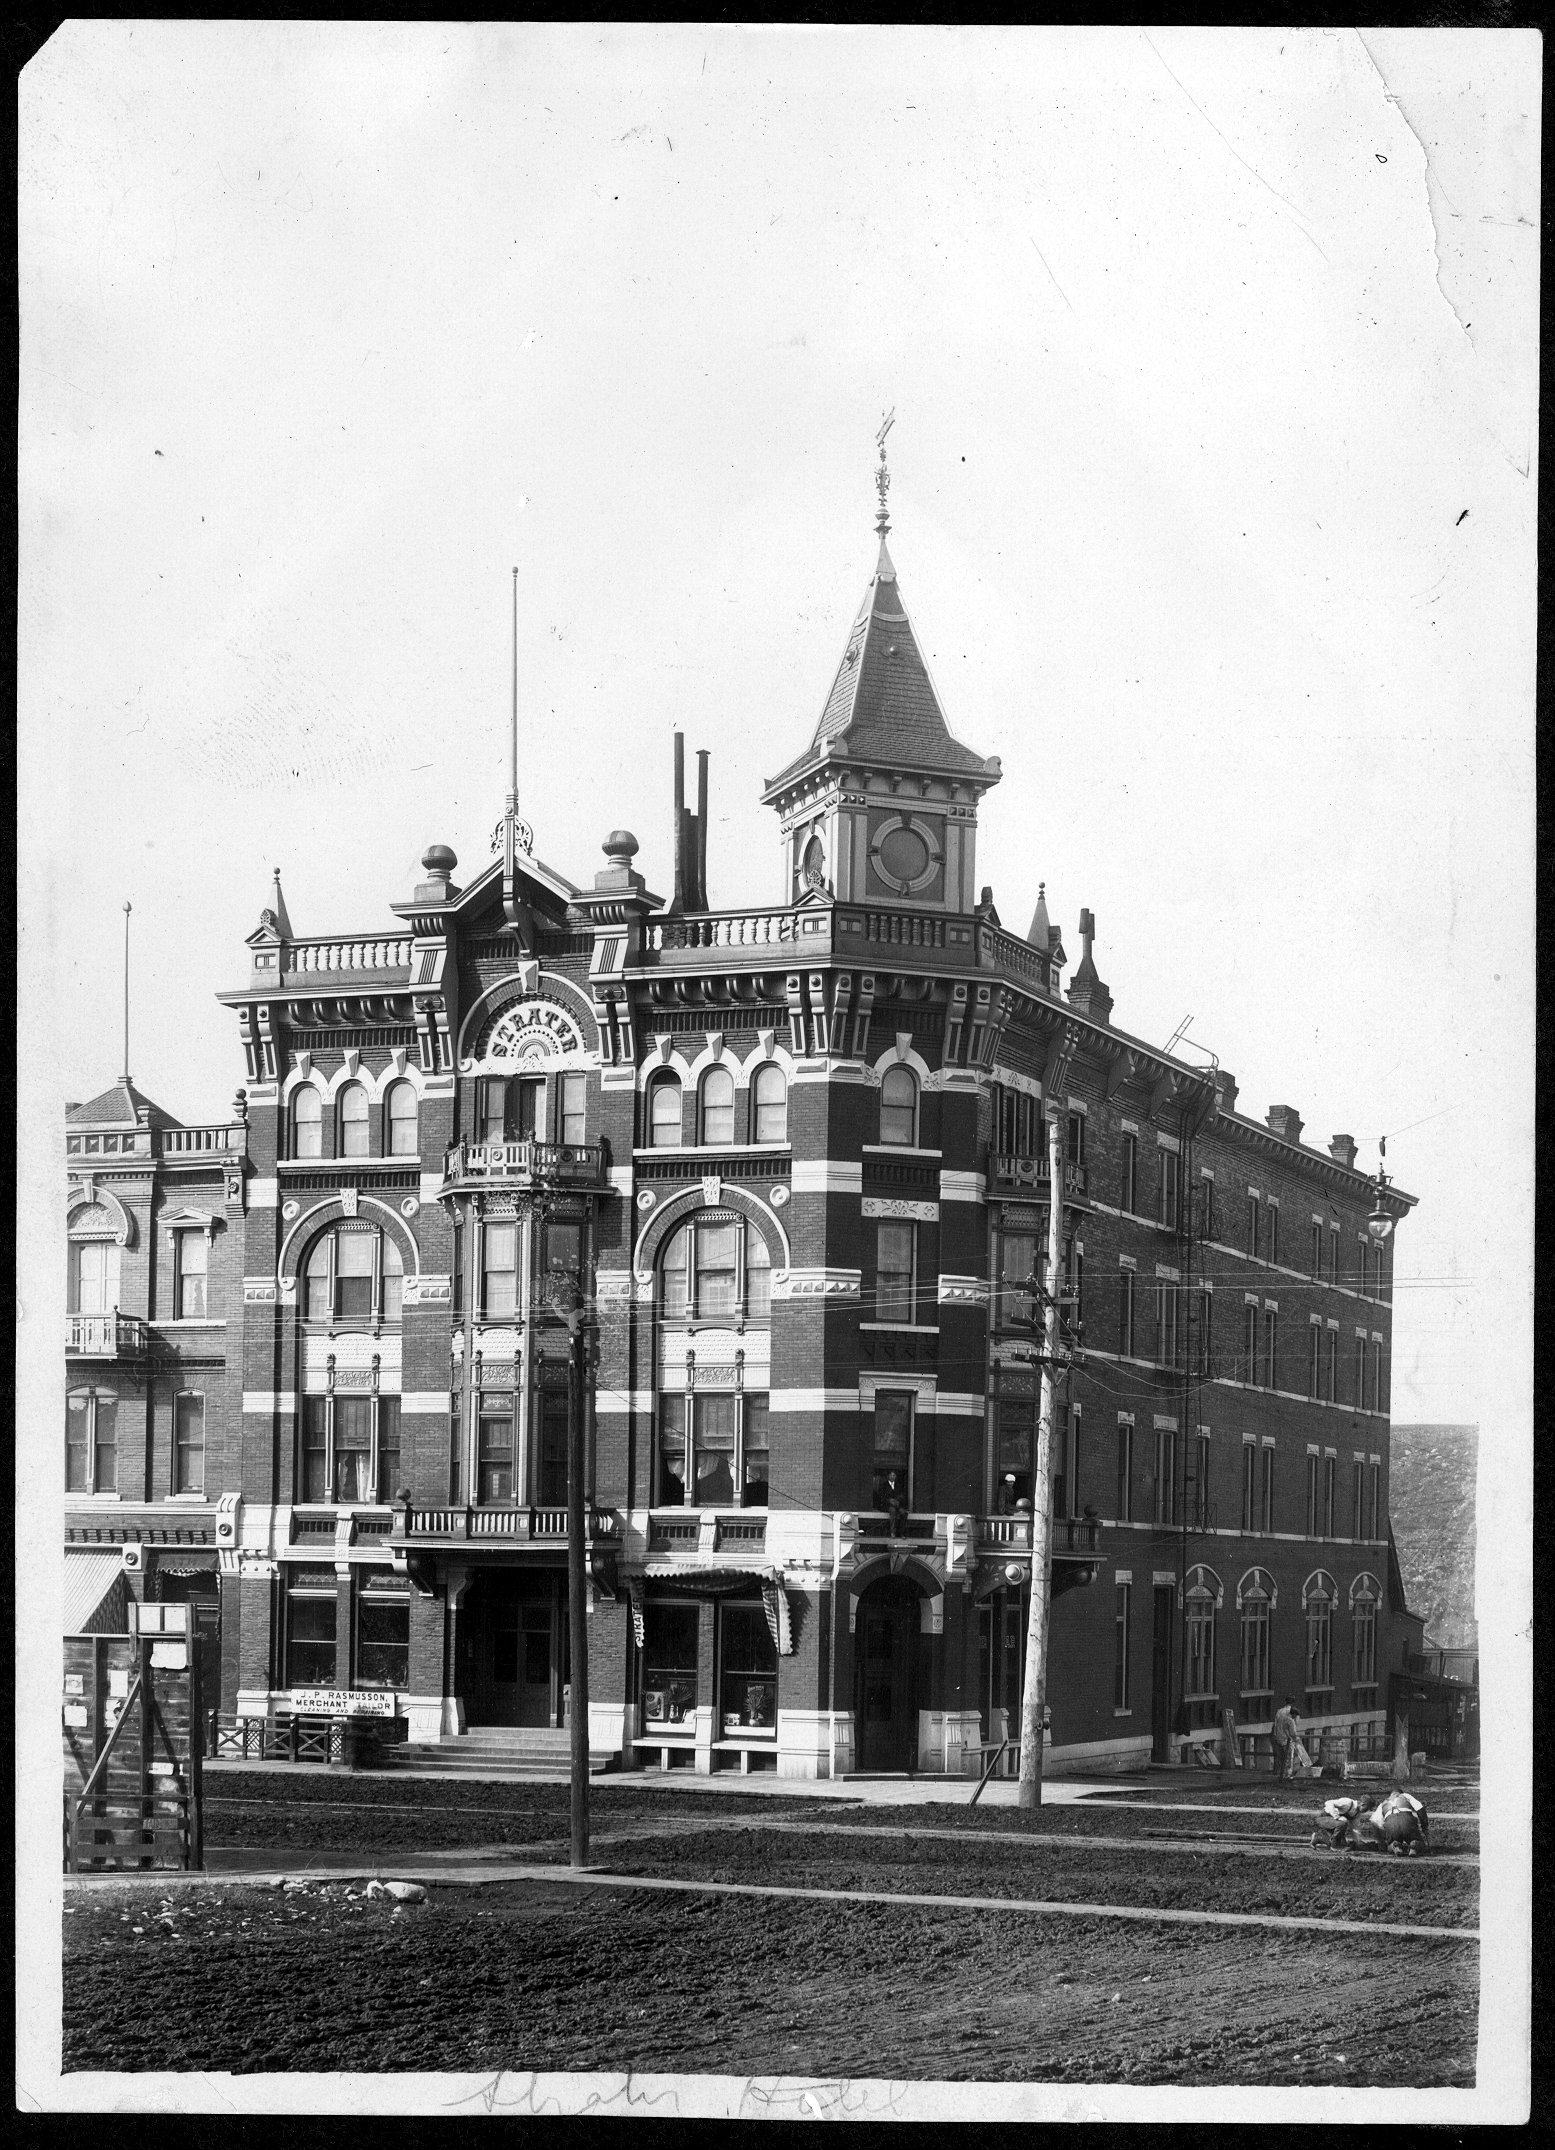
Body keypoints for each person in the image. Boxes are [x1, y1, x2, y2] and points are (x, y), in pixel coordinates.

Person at [1272, 1696, 1300, 1778]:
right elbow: (1293, 1730)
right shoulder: (1291, 1716)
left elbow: (1276, 1724)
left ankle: (1278, 1773)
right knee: (1289, 1757)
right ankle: (1287, 1774)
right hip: (1287, 1739)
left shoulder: (1280, 1712)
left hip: (1278, 1737)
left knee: (1279, 1757)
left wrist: (1276, 1735)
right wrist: (1297, 1739)